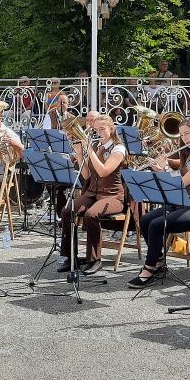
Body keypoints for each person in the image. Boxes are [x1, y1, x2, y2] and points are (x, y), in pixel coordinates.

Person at [128, 118, 190, 288]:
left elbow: (181, 183)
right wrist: (164, 166)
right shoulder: (187, 154)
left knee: (156, 225)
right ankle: (159, 260)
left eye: (188, 133)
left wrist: (163, 170)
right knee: (146, 220)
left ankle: (149, 268)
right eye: (182, 134)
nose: (185, 138)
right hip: (182, 204)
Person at [59, 113, 126, 274]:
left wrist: (89, 151)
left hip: (113, 196)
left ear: (111, 129)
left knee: (91, 214)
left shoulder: (118, 148)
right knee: (67, 211)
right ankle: (70, 257)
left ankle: (94, 259)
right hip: (92, 193)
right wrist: (81, 154)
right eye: (96, 129)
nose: (98, 132)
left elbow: (103, 172)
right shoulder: (96, 146)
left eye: (102, 129)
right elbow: (87, 175)